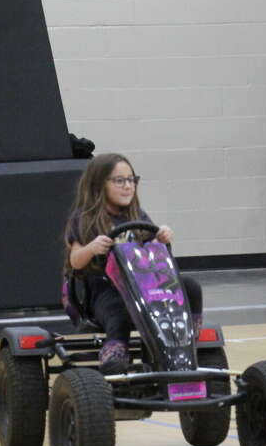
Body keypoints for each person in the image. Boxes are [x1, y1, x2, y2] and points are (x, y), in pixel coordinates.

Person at [64, 153, 203, 373]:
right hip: (104, 290)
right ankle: (116, 351)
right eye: (120, 181)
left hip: (143, 286)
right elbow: (75, 261)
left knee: (191, 287)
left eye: (131, 180)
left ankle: (187, 339)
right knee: (119, 309)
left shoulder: (137, 215)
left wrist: (161, 238)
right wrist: (92, 248)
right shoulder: (85, 218)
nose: (128, 186)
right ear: (99, 185)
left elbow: (153, 253)